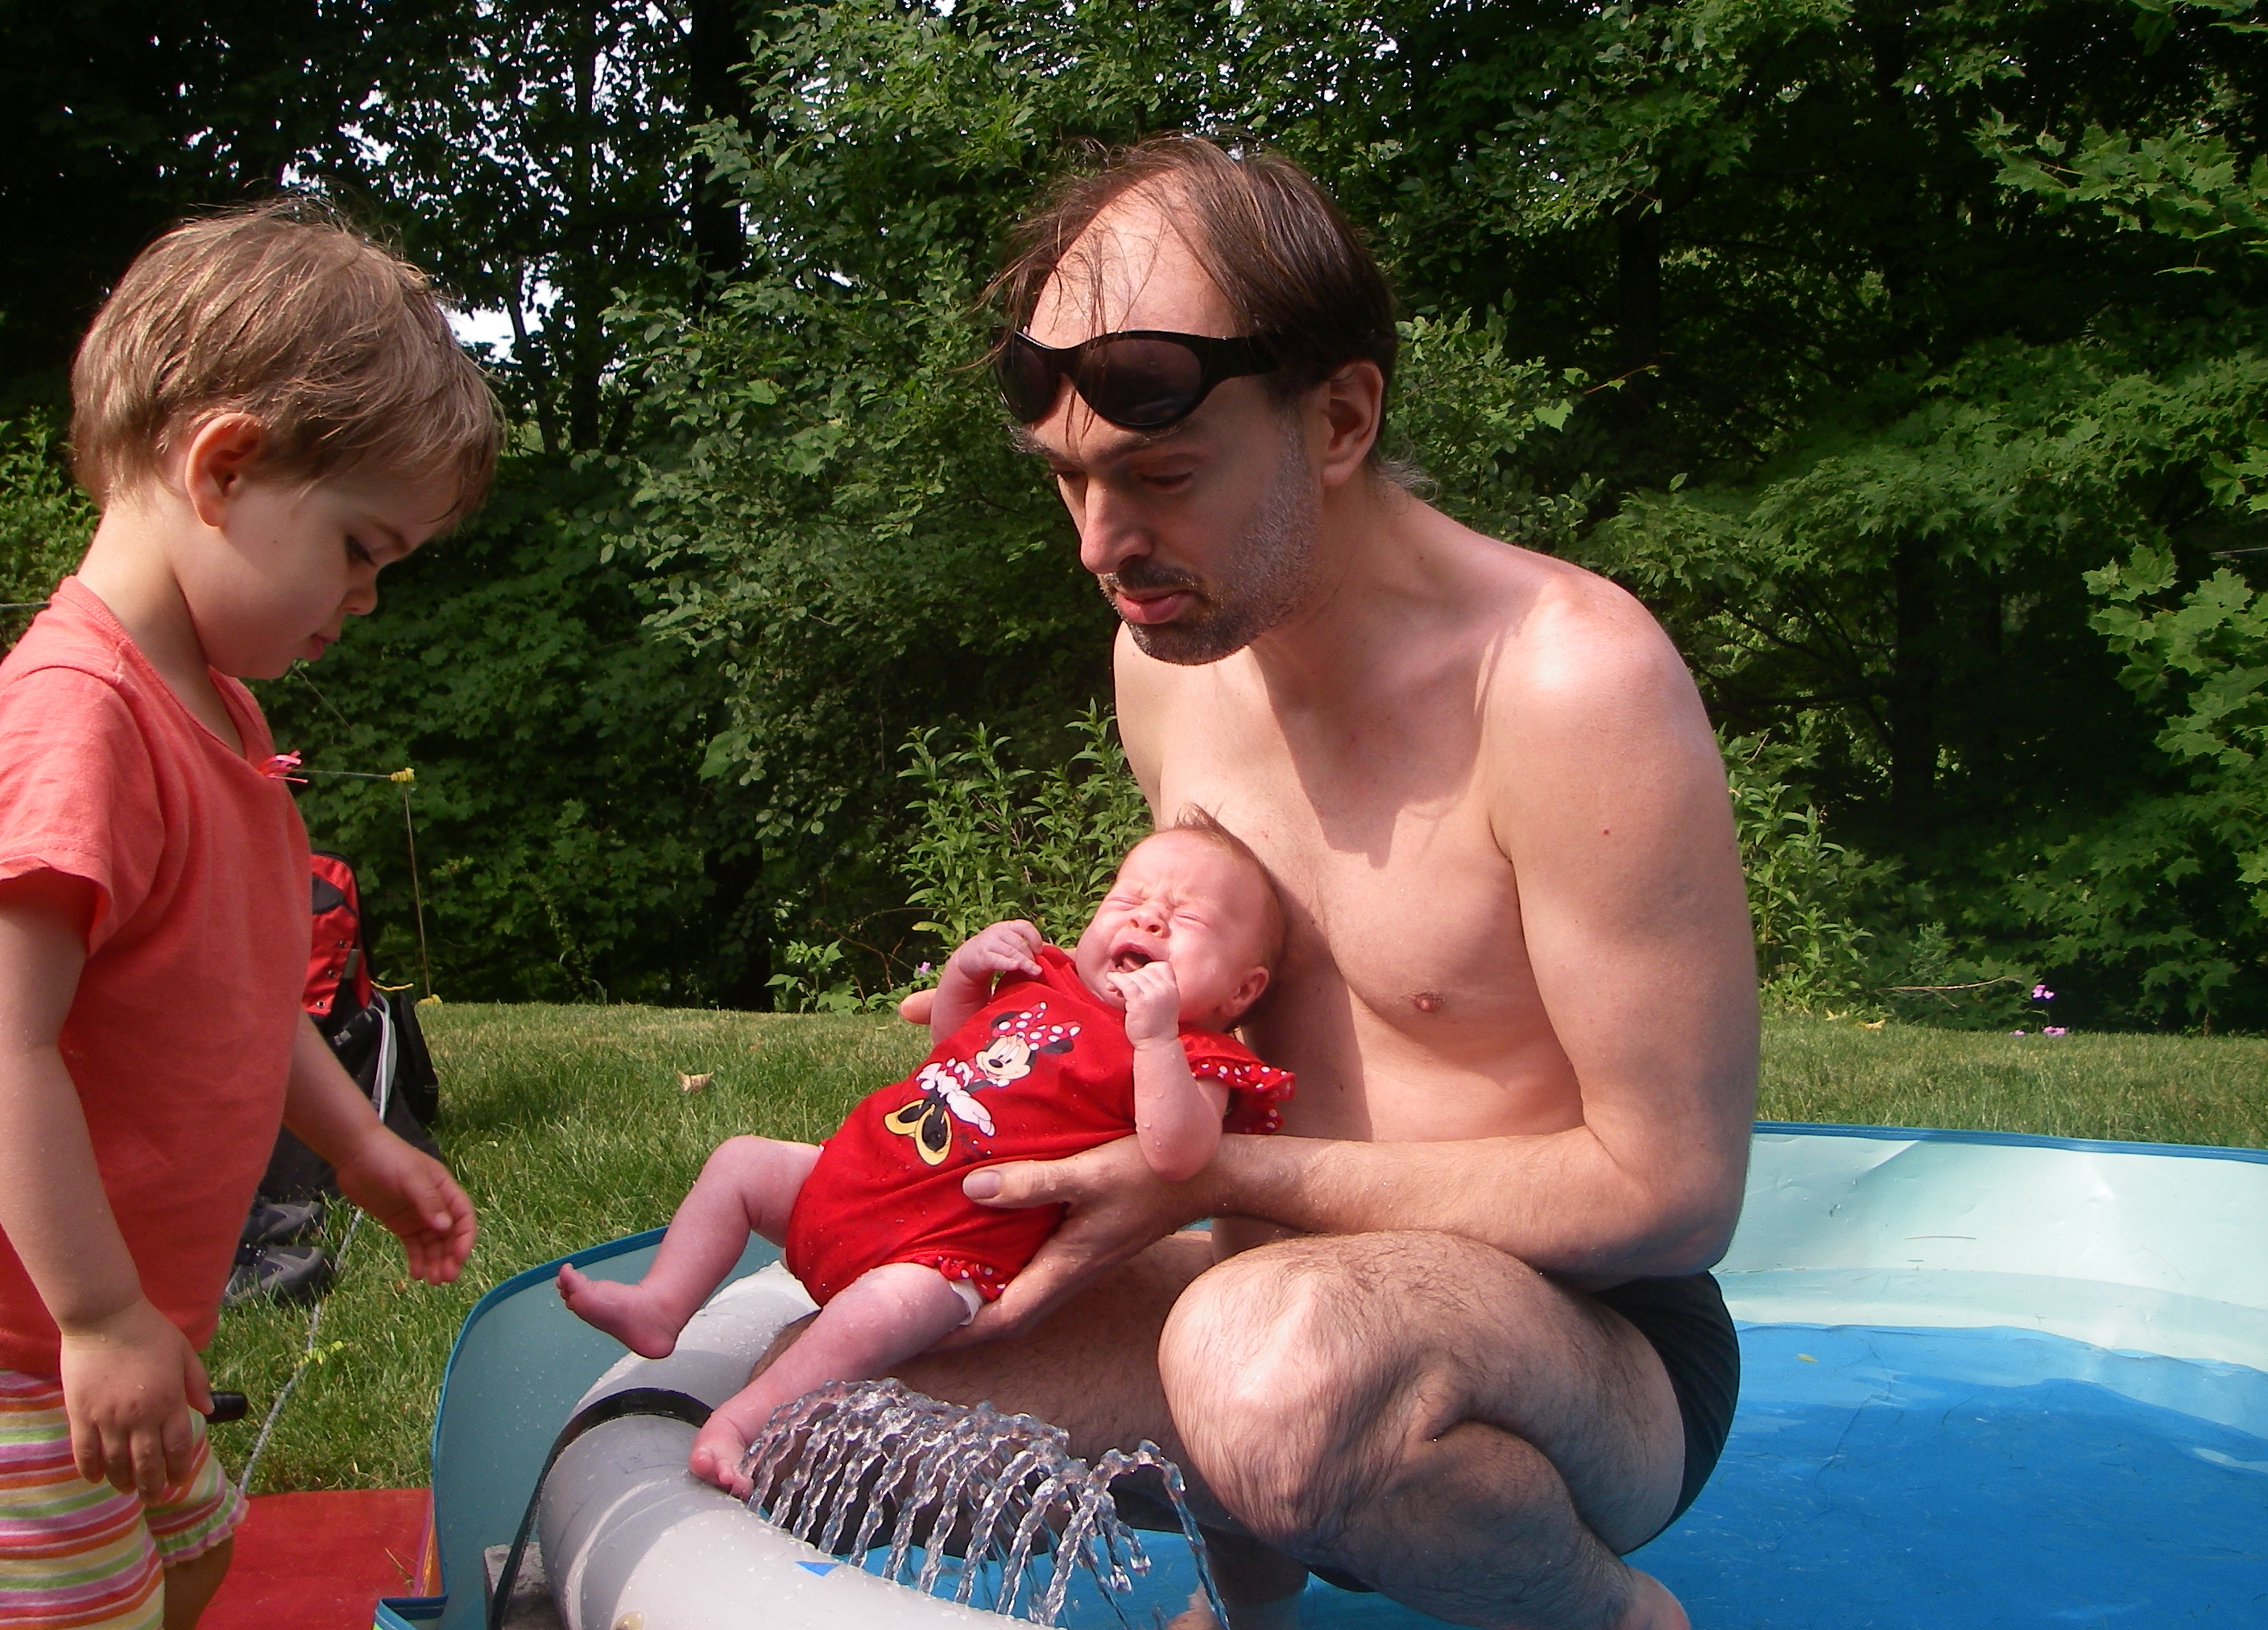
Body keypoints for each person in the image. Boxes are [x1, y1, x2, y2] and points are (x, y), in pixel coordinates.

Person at [878, 139, 1760, 1630]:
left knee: (1269, 1361)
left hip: (1583, 1348)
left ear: (1340, 416)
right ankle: (1252, 1597)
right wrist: (1033, 1029)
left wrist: (1219, 1181)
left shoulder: (1565, 682)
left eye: (1160, 476)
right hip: (1264, 1302)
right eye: (1070, 483)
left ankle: (1617, 1617)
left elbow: (1673, 1198)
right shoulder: (1168, 665)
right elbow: (1220, 1022)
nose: (1101, 546)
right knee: (844, 1374)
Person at [0, 202, 490, 1630]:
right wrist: (98, 1316)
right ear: (222, 467)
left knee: (197, 1555)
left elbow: (240, 999)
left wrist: (361, 1145)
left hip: (125, 1329)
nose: (367, 597)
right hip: (33, 1348)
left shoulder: (220, 715)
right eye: (358, 547)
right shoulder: (81, 719)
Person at [560, 819, 1293, 1491]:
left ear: (1242, 990)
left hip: (947, 1252)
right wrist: (965, 974)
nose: (1148, 919)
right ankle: (662, 1305)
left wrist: (1155, 1037)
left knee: (873, 1316)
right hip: (856, 1178)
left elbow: (1176, 1154)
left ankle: (742, 1421)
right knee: (741, 1162)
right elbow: (954, 1041)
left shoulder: (1195, 1055)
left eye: (1187, 919)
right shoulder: (1048, 980)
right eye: (1127, 899)